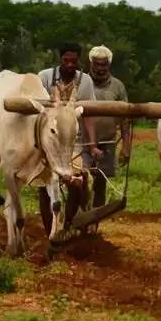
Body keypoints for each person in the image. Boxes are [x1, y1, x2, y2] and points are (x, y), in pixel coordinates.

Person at [36, 42, 101, 233]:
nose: (70, 65)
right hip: (50, 142)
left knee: (76, 184)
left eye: (74, 61)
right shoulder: (44, 77)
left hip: (75, 142)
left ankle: (67, 223)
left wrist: (93, 145)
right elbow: (37, 115)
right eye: (66, 60)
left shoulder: (86, 81)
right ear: (60, 60)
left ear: (78, 61)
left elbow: (88, 114)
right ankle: (50, 231)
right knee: (45, 186)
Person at [82, 45, 132, 221]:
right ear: (91, 64)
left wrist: (126, 147)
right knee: (81, 180)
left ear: (109, 65)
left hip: (108, 142)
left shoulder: (118, 86)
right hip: (82, 142)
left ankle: (95, 219)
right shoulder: (81, 83)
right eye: (97, 64)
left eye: (104, 65)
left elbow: (126, 118)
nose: (101, 68)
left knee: (101, 182)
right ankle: (80, 215)